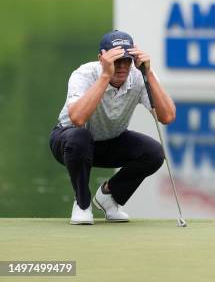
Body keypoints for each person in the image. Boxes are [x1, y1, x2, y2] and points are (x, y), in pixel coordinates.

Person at [49, 30, 176, 225]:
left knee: (154, 153)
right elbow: (77, 118)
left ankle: (110, 196)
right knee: (79, 138)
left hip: (111, 141)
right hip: (68, 143)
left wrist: (148, 74)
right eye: (116, 60)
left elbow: (167, 116)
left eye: (127, 60)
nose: (122, 66)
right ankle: (82, 204)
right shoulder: (84, 74)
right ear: (102, 58)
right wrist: (105, 76)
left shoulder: (140, 77)